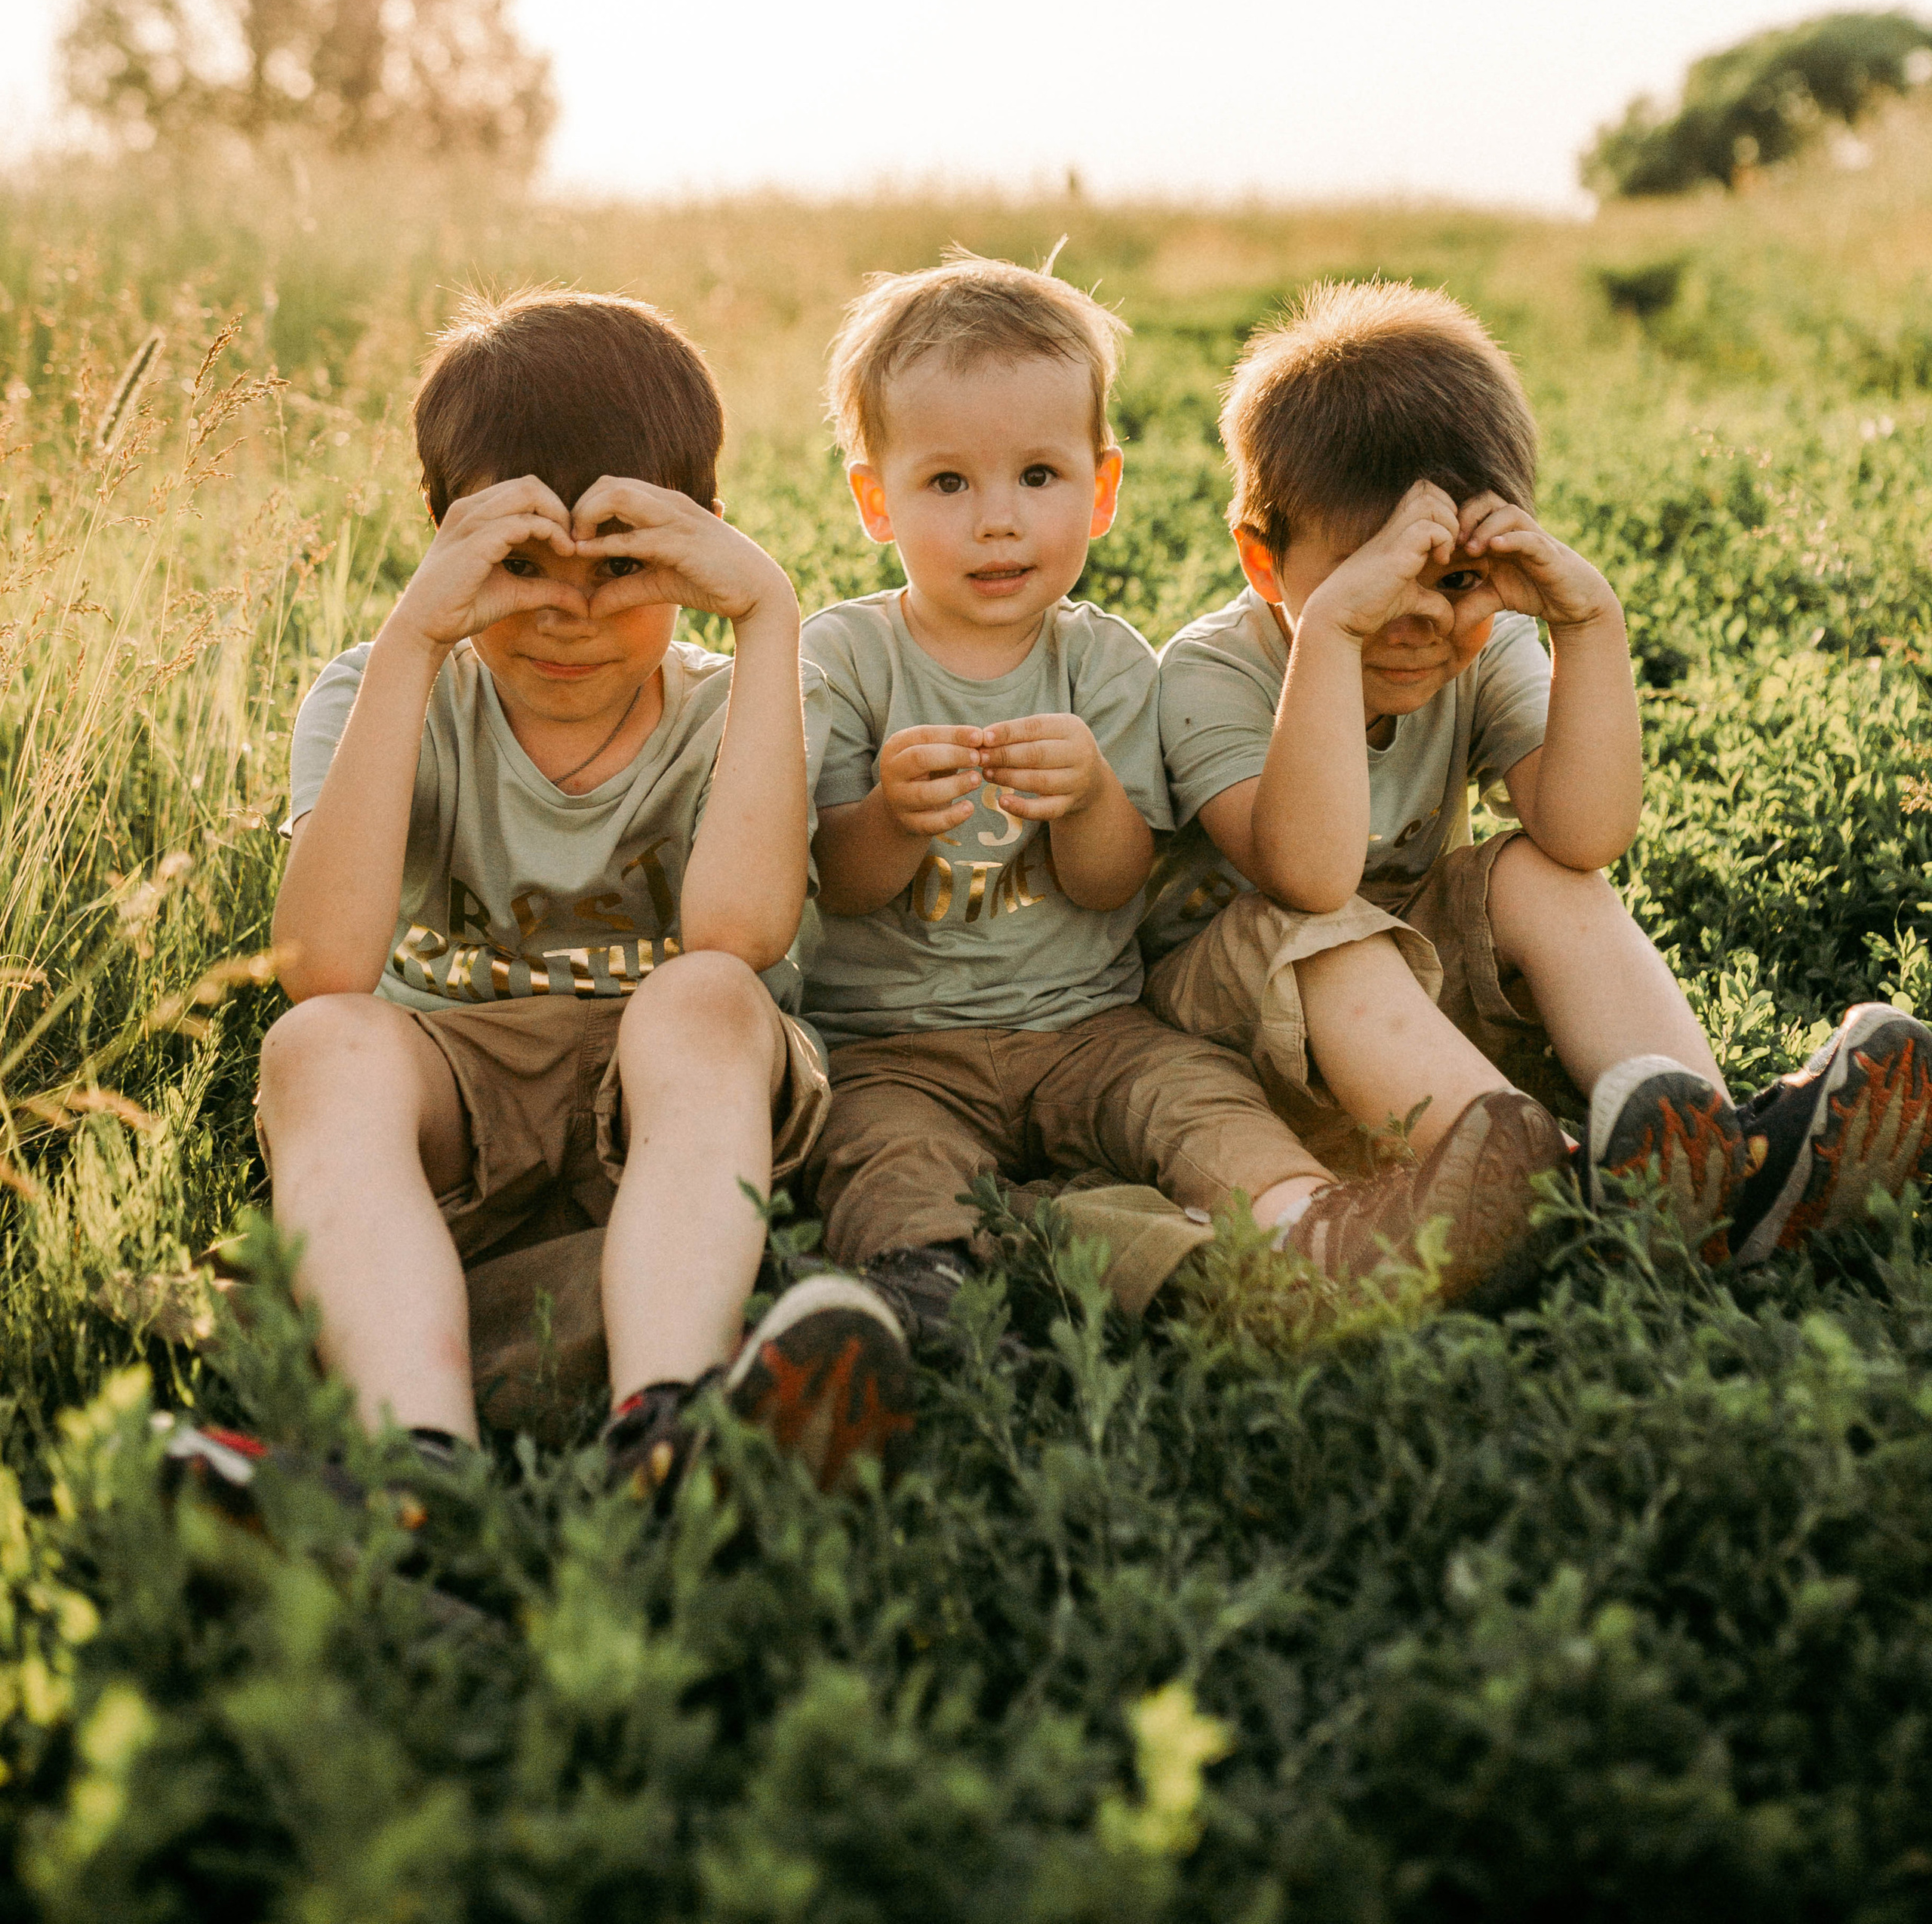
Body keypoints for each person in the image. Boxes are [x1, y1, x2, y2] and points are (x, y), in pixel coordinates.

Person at [798, 251, 1570, 1331]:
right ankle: (929, 1283)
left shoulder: (1110, 665)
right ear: (875, 503)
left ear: (1101, 490)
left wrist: (1087, 801)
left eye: (1037, 476)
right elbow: (834, 881)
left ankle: (1314, 1226)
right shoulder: (841, 657)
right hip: (894, 1044)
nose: (998, 521)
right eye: (947, 483)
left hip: (1093, 1024)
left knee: (1197, 1102)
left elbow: (1116, 885)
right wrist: (886, 816)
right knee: (884, 1148)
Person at [251, 285, 912, 1503]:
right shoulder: (381, 689)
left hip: (687, 1096)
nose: (569, 613)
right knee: (316, 1046)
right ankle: (419, 1463)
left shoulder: (738, 701)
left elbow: (738, 937)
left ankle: (664, 1420)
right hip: (458, 1098)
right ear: (446, 543)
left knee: (706, 994)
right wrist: (411, 639)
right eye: (517, 566)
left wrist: (770, 614)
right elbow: (323, 966)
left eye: (622, 567)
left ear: (700, 542)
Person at [1143, 276, 1932, 1268]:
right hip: (1234, 1016)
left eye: (1457, 577)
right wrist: (1334, 634)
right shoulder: (1211, 670)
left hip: (1406, 1008)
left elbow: (1584, 833)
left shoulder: (1482, 643)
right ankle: (1554, 1201)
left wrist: (1588, 621)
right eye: (1375, 577)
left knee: (1537, 872)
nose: (1423, 616)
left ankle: (1716, 1161)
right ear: (1265, 566)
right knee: (1330, 932)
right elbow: (1309, 878)